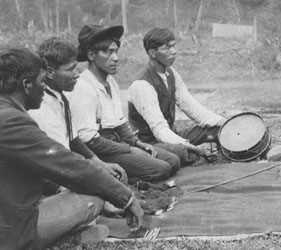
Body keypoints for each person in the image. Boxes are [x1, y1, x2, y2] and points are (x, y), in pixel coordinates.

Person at [0, 48, 143, 249]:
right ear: (26, 85)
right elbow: (67, 164)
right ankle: (60, 241)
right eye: (41, 82)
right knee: (95, 195)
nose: (43, 88)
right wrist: (125, 198)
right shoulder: (11, 120)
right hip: (11, 231)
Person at [67, 24, 180, 183]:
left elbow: (120, 123)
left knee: (173, 161)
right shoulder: (84, 87)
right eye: (108, 52)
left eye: (115, 51)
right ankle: (118, 178)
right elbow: (89, 139)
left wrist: (138, 143)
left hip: (118, 144)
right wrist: (130, 149)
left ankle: (127, 172)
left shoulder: (111, 82)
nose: (115, 58)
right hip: (101, 151)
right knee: (162, 169)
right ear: (91, 55)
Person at [29, 37, 127, 184]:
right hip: (52, 175)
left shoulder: (60, 96)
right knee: (107, 187)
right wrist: (96, 170)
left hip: (65, 164)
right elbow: (61, 157)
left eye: (76, 67)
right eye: (70, 69)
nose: (77, 74)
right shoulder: (42, 106)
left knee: (111, 178)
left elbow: (74, 140)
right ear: (50, 72)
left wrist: (98, 162)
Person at [128, 27, 225, 166]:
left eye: (173, 46)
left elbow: (193, 108)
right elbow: (160, 130)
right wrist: (193, 147)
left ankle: (200, 154)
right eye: (167, 48)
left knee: (217, 131)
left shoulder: (171, 73)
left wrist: (225, 122)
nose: (174, 51)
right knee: (180, 153)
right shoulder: (141, 85)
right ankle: (198, 155)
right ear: (152, 53)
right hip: (151, 142)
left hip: (172, 135)